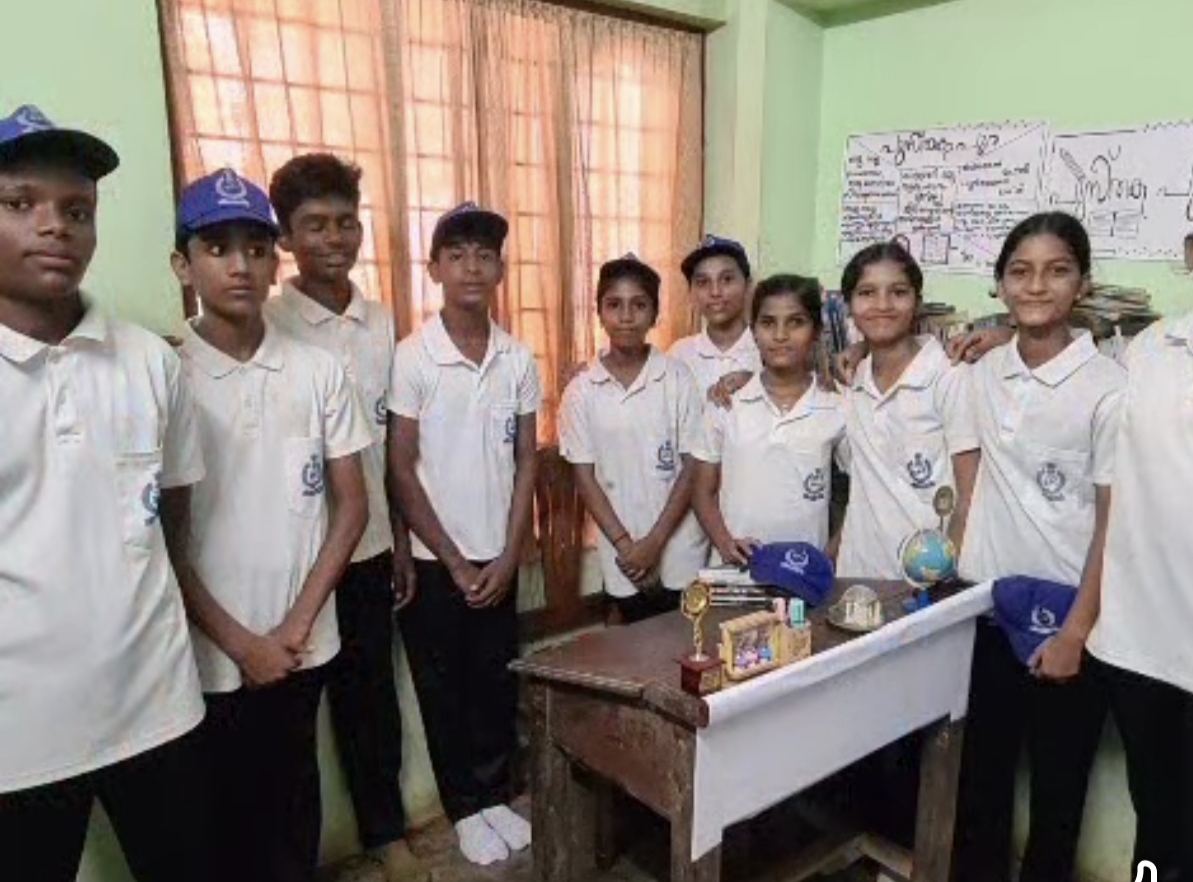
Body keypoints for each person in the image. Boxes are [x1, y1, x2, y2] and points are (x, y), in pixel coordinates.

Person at [0, 104, 212, 881]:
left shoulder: (149, 362)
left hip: (157, 703)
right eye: (20, 204)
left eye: (77, 210)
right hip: (18, 730)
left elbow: (173, 514)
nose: (54, 226)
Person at [172, 167, 371, 882]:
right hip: (209, 650)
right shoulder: (166, 373)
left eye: (256, 249)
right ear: (183, 265)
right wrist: (241, 644)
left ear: (274, 259)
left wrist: (294, 626)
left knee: (293, 800)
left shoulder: (316, 371)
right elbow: (166, 535)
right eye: (217, 248)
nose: (240, 266)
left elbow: (351, 507)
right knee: (223, 812)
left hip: (301, 641)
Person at [266, 153, 426, 882]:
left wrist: (399, 541)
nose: (333, 239)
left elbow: (389, 448)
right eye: (314, 225)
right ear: (285, 237)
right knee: (291, 719)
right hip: (296, 561)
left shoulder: (379, 321)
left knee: (371, 703)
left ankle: (386, 833)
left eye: (345, 222)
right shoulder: (267, 321)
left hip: (368, 548)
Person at [954, 212, 1124, 882]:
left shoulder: (1109, 388)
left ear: (1082, 284)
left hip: (1067, 618)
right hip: (987, 612)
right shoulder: (982, 371)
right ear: (999, 284)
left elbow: (1114, 522)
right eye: (1020, 272)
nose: (1036, 286)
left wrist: (1076, 631)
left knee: (1057, 795)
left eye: (1056, 271)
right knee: (979, 781)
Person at [386, 202, 538, 866]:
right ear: (435, 269)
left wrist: (509, 553)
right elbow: (399, 466)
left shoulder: (517, 358)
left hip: (498, 555)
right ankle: (463, 808)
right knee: (442, 688)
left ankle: (495, 794)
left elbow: (527, 460)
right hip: (435, 559)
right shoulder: (413, 356)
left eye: (484, 255)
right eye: (457, 255)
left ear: (500, 269)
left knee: (495, 682)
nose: (471, 267)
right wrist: (451, 560)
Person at [559, 253, 709, 623]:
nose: (626, 316)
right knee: (633, 639)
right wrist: (627, 546)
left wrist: (655, 542)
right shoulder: (581, 390)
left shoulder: (677, 378)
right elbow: (584, 477)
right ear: (599, 312)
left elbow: (692, 466)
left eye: (639, 305)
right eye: (614, 305)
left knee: (683, 637)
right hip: (620, 545)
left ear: (655, 314)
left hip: (678, 544)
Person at [834, 241, 979, 579]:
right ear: (849, 306)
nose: (883, 305)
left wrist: (946, 577)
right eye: (867, 293)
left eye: (898, 292)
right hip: (859, 573)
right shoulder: (851, 380)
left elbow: (970, 493)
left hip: (929, 576)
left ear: (918, 303)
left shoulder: (948, 376)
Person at [690, 273, 845, 564]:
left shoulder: (836, 406)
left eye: (796, 322)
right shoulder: (727, 402)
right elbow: (701, 490)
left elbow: (863, 493)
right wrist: (725, 544)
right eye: (768, 322)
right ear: (753, 331)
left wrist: (829, 557)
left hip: (803, 571)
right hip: (735, 569)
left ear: (816, 331)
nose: (780, 335)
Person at [668, 234, 761, 399]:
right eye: (703, 282)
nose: (715, 292)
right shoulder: (679, 355)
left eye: (727, 279)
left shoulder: (767, 349)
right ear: (691, 293)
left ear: (747, 286)